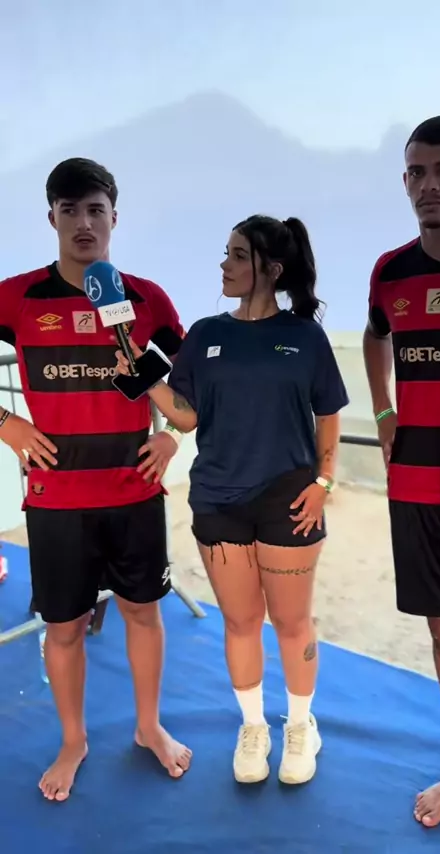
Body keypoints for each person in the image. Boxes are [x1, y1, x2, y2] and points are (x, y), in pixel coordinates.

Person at [115, 214, 349, 785]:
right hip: (218, 501)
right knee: (241, 622)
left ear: (272, 269)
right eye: (226, 252)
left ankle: (301, 726)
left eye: (238, 255)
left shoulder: (305, 337)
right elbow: (187, 417)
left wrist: (324, 483)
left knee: (291, 622)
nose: (224, 264)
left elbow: (328, 415)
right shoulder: (204, 334)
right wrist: (145, 379)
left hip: (289, 498)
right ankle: (254, 727)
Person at [0, 157, 191, 801]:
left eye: (95, 210)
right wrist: (7, 424)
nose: (84, 223)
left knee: (143, 612)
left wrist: (172, 436)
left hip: (134, 493)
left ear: (114, 217)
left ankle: (148, 726)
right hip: (56, 499)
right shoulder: (19, 296)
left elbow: (196, 390)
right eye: (70, 210)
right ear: (51, 217)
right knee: (64, 627)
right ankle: (73, 740)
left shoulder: (147, 299)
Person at [363, 114, 440, 827]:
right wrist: (383, 411)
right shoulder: (391, 270)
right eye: (416, 172)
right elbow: (375, 336)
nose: (428, 184)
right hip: (418, 481)